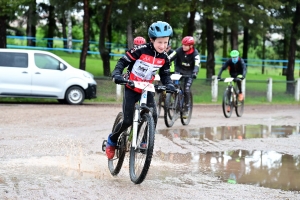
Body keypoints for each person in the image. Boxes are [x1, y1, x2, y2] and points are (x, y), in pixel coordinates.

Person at [105, 21, 176, 159]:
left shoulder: (165, 58)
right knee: (127, 121)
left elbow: (165, 75)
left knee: (153, 114)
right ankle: (112, 139)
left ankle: (144, 141)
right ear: (152, 40)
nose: (163, 46)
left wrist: (170, 85)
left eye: (165, 42)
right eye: (159, 42)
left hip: (146, 88)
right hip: (131, 86)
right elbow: (122, 62)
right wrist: (117, 74)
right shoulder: (141, 50)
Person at [168, 36, 200, 118]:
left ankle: (186, 107)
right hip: (179, 71)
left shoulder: (195, 53)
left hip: (190, 73)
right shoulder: (179, 50)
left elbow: (197, 64)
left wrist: (195, 72)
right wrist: (164, 62)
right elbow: (170, 57)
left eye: (186, 45)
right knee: (173, 87)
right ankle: (176, 101)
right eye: (183, 45)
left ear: (191, 46)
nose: (183, 46)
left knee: (186, 89)